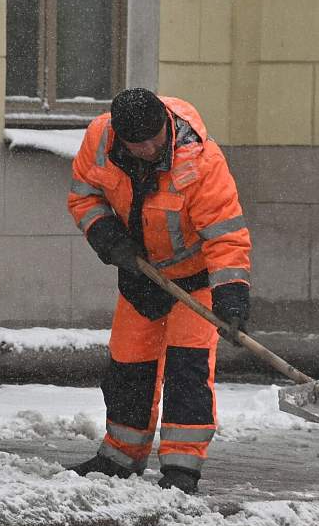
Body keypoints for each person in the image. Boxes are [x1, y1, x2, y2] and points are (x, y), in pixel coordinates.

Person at [66, 88, 252, 494]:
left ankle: (182, 469)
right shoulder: (100, 140)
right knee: (129, 366)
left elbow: (226, 234)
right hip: (140, 272)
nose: (149, 148)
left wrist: (232, 294)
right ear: (120, 137)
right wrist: (109, 238)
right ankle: (120, 456)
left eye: (155, 138)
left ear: (166, 126)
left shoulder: (200, 162)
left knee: (188, 369)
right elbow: (84, 196)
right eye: (138, 142)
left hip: (196, 278)